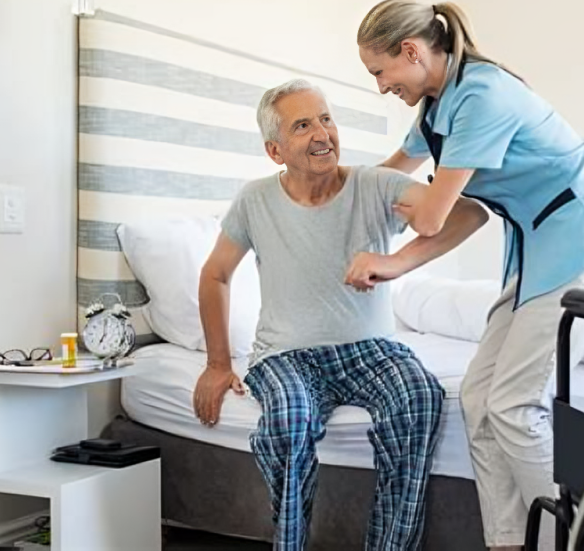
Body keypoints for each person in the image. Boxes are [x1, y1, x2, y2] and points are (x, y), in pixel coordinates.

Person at [357, 0, 584, 550]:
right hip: (538, 251)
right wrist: (332, 193)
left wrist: (388, 261)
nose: (380, 86)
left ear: (411, 51)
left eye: (380, 71)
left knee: (514, 404)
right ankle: (510, 541)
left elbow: (439, 214)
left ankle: (580, 541)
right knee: (477, 399)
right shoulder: (437, 107)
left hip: (581, 242)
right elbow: (392, 174)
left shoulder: (482, 95)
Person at [192, 78, 489, 551]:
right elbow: (215, 276)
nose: (322, 134)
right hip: (287, 356)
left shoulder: (375, 185)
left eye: (326, 119)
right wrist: (217, 364)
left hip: (370, 351)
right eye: (303, 125)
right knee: (289, 419)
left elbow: (468, 215)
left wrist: (395, 263)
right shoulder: (255, 200)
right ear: (275, 150)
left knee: (418, 397)